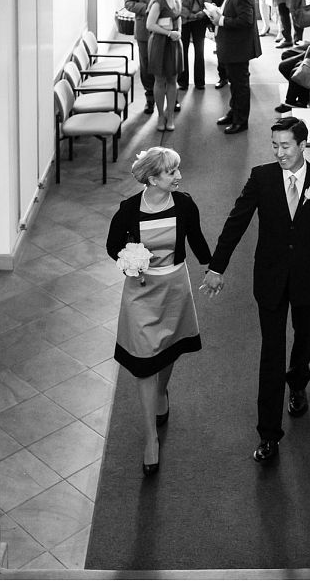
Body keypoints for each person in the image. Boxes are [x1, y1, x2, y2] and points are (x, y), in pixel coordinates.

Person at [199, 116, 310, 465]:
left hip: (309, 278)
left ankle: (298, 381)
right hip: (271, 279)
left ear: (303, 146)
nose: (279, 152)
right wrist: (217, 267)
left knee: (304, 338)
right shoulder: (261, 178)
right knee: (271, 352)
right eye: (275, 145)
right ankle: (268, 434)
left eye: (286, 146)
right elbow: (236, 221)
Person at [110, 146, 210, 475]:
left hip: (175, 287)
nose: (179, 176)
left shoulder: (184, 204)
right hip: (141, 293)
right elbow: (113, 246)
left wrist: (212, 267)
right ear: (152, 178)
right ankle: (151, 437)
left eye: (177, 170)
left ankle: (163, 390)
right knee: (143, 363)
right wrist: (129, 261)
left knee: (168, 351)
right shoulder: (128, 210)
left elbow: (195, 238)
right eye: (171, 172)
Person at [209, 0, 260, 134]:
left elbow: (246, 20)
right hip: (233, 46)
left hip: (239, 47)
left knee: (240, 85)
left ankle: (241, 121)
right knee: (234, 83)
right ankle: (234, 112)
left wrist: (221, 20)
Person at [143, 0, 182, 131]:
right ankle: (160, 116)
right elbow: (149, 25)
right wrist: (168, 33)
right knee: (160, 80)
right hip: (160, 44)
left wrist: (179, 33)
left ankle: (170, 115)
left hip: (173, 43)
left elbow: (178, 19)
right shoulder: (158, 3)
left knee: (173, 80)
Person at [123, 0, 157, 107]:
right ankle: (150, 97)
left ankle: (171, 98)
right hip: (144, 28)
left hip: (166, 27)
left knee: (166, 62)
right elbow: (129, 3)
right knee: (146, 63)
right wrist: (149, 8)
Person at [176, 0, 214, 89]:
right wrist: (187, 14)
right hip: (183, 19)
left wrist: (204, 12)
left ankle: (200, 82)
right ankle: (182, 81)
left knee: (200, 51)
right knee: (183, 51)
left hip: (199, 19)